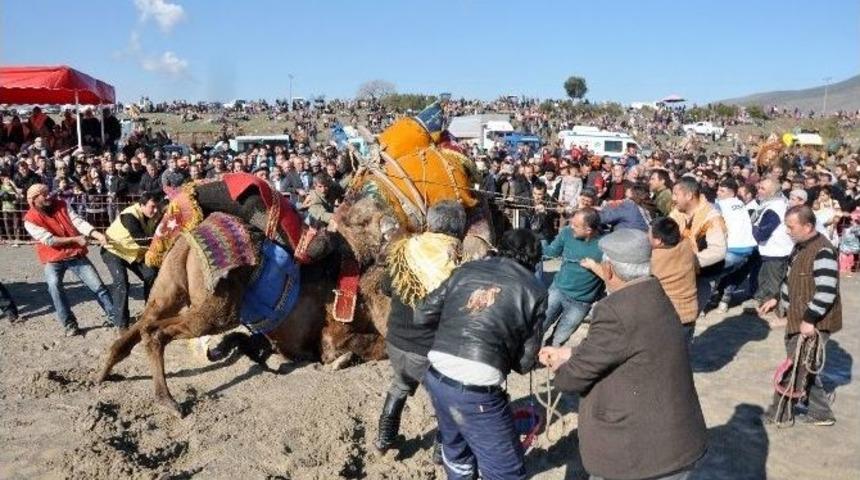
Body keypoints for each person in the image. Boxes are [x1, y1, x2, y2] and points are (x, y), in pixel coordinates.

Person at [539, 228, 707, 480]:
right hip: (675, 442)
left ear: (608, 269)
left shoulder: (615, 309)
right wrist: (570, 352)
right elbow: (626, 346)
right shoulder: (655, 293)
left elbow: (573, 378)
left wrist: (560, 366)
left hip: (638, 458)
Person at [416, 229, 547, 480]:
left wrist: (454, 325)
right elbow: (524, 362)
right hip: (477, 387)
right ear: (534, 260)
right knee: (508, 471)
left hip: (436, 373)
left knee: (455, 447)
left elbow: (422, 313)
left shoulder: (467, 270)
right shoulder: (535, 290)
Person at [373, 201, 466, 459]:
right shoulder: (457, 260)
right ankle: (441, 451)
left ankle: (383, 440)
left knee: (399, 385)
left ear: (430, 224)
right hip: (428, 349)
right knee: (445, 400)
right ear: (459, 229)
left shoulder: (406, 248)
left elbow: (385, 287)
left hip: (395, 340)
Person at [759, 205, 842, 426]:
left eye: (791, 226)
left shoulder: (823, 250)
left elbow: (827, 290)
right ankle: (821, 413)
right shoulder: (799, 247)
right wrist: (777, 299)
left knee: (793, 369)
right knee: (805, 368)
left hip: (814, 323)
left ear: (808, 226)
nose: (787, 231)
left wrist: (809, 320)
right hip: (798, 320)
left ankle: (779, 414)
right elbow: (791, 279)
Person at [22, 184, 114, 336]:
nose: (48, 196)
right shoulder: (29, 220)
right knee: (54, 287)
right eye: (43, 194)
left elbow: (78, 222)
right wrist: (76, 239)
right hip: (52, 257)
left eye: (47, 192)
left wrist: (97, 235)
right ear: (34, 199)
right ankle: (69, 324)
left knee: (97, 285)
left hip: (74, 253)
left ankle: (114, 315)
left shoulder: (62, 204)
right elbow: (50, 240)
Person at [542, 208, 604, 346]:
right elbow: (551, 252)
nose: (571, 227)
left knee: (559, 339)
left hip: (581, 303)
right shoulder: (566, 233)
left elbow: (611, 276)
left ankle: (547, 357)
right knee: (538, 326)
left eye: (576, 226)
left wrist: (594, 267)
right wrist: (534, 245)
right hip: (557, 291)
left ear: (588, 230)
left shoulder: (605, 245)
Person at [100, 192, 161, 330]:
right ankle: (121, 324)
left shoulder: (153, 215)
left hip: (133, 253)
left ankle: (149, 314)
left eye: (157, 207)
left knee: (151, 275)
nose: (155, 210)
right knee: (121, 282)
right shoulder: (129, 216)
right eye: (152, 207)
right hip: (113, 250)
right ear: (141, 205)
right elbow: (141, 239)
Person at [669, 177, 727, 315]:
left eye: (676, 194)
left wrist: (689, 261)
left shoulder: (712, 218)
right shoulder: (677, 213)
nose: (673, 198)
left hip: (702, 276)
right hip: (679, 273)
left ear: (689, 196)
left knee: (687, 318)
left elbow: (718, 250)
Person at [745, 178, 794, 313]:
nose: (758, 191)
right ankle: (763, 304)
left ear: (772, 192)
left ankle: (774, 309)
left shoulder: (775, 207)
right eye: (759, 187)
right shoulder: (771, 203)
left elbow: (762, 232)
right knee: (764, 278)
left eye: (762, 189)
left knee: (772, 282)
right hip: (770, 249)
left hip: (776, 250)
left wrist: (749, 227)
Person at [648, 217, 699, 343]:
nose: (646, 236)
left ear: (659, 241)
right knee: (683, 355)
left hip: (668, 318)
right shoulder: (686, 245)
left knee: (664, 357)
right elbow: (697, 268)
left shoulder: (655, 259)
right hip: (689, 314)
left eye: (648, 234)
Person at [711, 178, 757, 312]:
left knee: (710, 276)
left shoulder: (721, 204)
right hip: (748, 249)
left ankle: (703, 305)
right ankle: (723, 301)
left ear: (732, 193)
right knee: (731, 274)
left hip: (732, 248)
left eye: (722, 191)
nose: (718, 193)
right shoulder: (741, 204)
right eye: (718, 190)